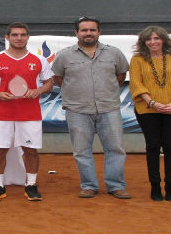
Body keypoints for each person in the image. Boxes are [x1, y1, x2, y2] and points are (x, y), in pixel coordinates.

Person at [51, 17, 131, 199]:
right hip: (77, 110)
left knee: (115, 148)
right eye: (84, 30)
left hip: (109, 108)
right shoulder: (64, 55)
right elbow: (59, 79)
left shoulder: (114, 53)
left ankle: (116, 186)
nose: (88, 33)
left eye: (92, 30)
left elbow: (120, 75)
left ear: (99, 32)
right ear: (76, 33)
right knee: (81, 150)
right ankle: (88, 186)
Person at [0, 22, 53, 202]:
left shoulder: (39, 60)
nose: (19, 38)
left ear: (28, 37)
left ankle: (31, 185)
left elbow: (49, 83)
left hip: (30, 114)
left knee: (30, 151)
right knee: (0, 150)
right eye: (15, 35)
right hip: (2, 113)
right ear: (7, 37)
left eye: (22, 35)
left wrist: (38, 91)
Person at [129, 26, 171, 202]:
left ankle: (170, 186)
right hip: (147, 109)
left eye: (156, 38)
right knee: (153, 146)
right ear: (144, 42)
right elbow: (136, 83)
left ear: (163, 40)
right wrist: (152, 103)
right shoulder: (137, 59)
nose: (153, 42)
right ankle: (155, 186)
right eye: (149, 39)